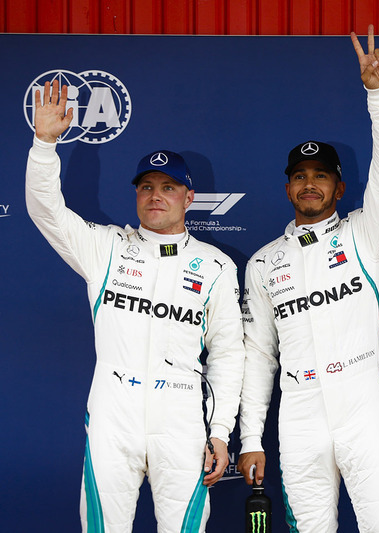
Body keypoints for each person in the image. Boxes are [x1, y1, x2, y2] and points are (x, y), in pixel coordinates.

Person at [26, 80, 245, 533]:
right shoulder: (105, 247)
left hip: (182, 418)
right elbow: (46, 210)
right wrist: (44, 145)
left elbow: (228, 352)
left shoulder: (217, 266)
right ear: (137, 195)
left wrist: (221, 431)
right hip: (113, 414)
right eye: (146, 186)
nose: (155, 195)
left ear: (189, 197)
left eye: (168, 186)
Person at [237, 25, 379, 532]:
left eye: (321, 175)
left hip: (361, 407)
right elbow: (259, 354)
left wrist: (378, 95)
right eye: (300, 176)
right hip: (299, 417)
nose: (309, 183)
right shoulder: (264, 262)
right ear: (288, 188)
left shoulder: (365, 233)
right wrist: (251, 438)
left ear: (339, 187)